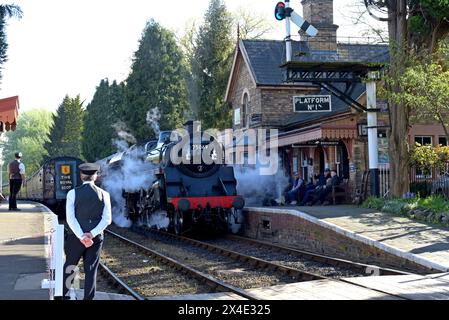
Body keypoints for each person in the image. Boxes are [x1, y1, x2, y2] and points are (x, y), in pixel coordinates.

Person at [62, 163, 112, 300]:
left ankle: (63, 295)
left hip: (75, 238)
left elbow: (70, 218)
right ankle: (88, 298)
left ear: (81, 176)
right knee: (91, 269)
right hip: (95, 239)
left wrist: (81, 235)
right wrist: (92, 234)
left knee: (70, 265)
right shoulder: (105, 195)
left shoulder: (72, 193)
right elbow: (107, 219)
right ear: (95, 176)